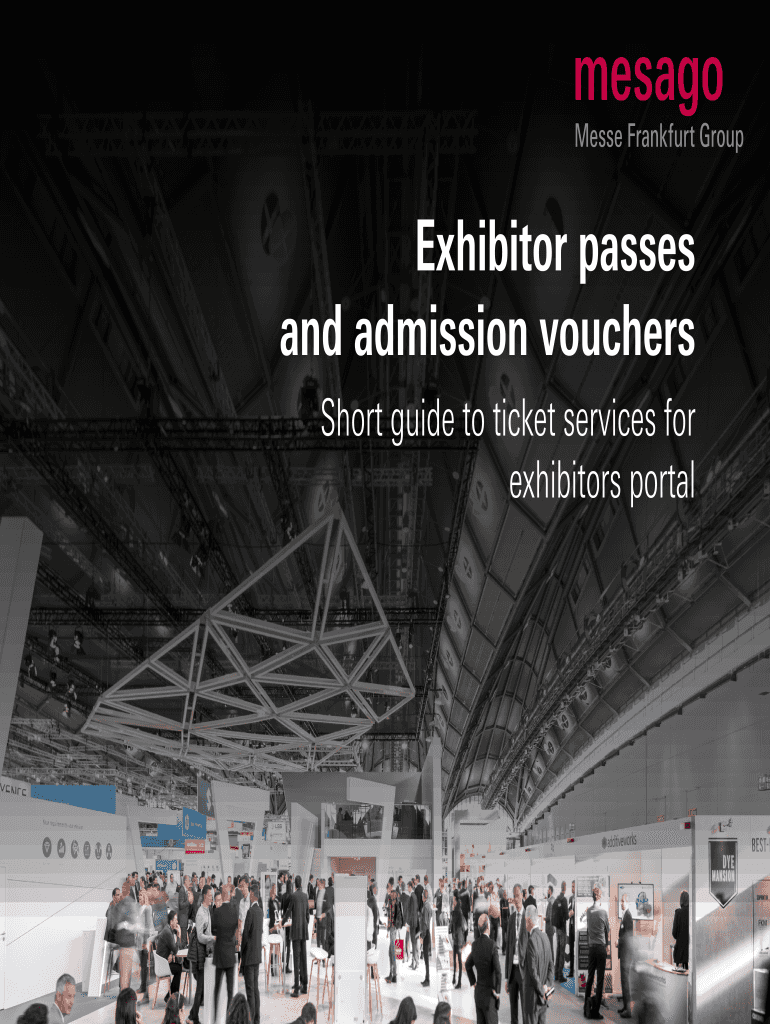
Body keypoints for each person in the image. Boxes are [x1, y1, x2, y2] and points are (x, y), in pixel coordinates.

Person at [466, 914, 501, 1024]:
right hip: (489, 995)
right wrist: (497, 991)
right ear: (488, 926)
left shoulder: (475, 945)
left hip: (478, 993)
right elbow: (498, 971)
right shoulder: (492, 945)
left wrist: (473, 982)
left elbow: (467, 965)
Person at [188, 884, 216, 1024]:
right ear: (205, 896)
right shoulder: (200, 913)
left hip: (204, 952)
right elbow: (200, 937)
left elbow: (208, 931)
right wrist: (212, 938)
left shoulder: (207, 910)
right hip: (198, 954)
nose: (212, 898)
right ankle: (193, 1017)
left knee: (202, 987)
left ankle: (192, 1016)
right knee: (200, 988)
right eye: (210, 896)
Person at [523, 904, 554, 1024]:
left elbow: (532, 972)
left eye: (525, 920)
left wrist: (541, 991)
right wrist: (548, 987)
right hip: (543, 1000)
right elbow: (551, 965)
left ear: (529, 920)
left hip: (533, 1000)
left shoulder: (531, 941)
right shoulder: (545, 937)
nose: (525, 923)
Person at [212, 882, 239, 1016]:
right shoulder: (234, 912)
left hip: (219, 954)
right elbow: (235, 929)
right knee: (230, 990)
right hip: (230, 954)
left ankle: (215, 1016)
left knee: (216, 988)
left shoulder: (217, 912)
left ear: (222, 896)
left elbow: (213, 929)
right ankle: (229, 1018)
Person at [583, 886, 610, 1020]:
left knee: (590, 978)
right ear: (599, 897)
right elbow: (607, 930)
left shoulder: (589, 911)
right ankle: (595, 1012)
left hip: (591, 948)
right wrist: (607, 945)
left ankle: (586, 1007)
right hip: (600, 949)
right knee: (599, 981)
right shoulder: (603, 912)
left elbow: (588, 930)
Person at [239, 882, 263, 1023]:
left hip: (249, 956)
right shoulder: (260, 911)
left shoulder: (251, 912)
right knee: (255, 989)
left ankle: (251, 1019)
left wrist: (241, 953)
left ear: (252, 894)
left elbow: (245, 936)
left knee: (250, 990)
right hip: (257, 956)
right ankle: (256, 1019)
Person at [505, 886, 528, 1024]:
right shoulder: (511, 918)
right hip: (513, 971)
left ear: (523, 896)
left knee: (525, 1010)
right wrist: (506, 977)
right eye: (514, 896)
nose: (516, 899)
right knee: (513, 1011)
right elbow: (508, 947)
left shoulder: (528, 917)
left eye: (518, 895)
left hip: (524, 970)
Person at [155, 910, 184, 1002]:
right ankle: (172, 997)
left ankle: (171, 996)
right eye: (175, 920)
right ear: (171, 921)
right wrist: (179, 935)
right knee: (178, 968)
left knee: (178, 967)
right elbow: (176, 950)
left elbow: (171, 948)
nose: (177, 922)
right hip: (162, 965)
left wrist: (171, 954)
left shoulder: (168, 930)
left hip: (162, 963)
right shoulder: (168, 932)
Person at [290, 874, 310, 997]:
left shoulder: (293, 896)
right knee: (303, 959)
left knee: (296, 960)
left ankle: (296, 989)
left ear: (295, 884)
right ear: (301, 883)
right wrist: (304, 924)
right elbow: (307, 914)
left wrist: (282, 922)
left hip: (296, 932)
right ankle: (304, 986)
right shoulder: (305, 896)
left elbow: (289, 911)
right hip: (303, 931)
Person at [617, 892, 635, 1018]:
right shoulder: (624, 916)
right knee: (623, 982)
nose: (621, 903)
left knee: (626, 983)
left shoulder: (628, 916)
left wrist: (618, 941)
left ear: (628, 902)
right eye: (621, 901)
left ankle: (628, 1010)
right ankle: (625, 1006)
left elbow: (628, 937)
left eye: (623, 901)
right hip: (623, 954)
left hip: (626, 955)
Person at [385, 878, 403, 984]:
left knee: (392, 951)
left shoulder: (392, 897)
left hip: (393, 928)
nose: (387, 890)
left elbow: (391, 915)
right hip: (395, 928)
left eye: (387, 887)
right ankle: (392, 974)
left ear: (390, 886)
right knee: (390, 951)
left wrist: (389, 927)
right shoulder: (396, 896)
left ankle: (393, 975)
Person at [552, 882, 569, 983]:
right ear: (565, 888)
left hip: (557, 929)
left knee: (558, 951)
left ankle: (556, 974)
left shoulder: (556, 899)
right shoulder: (564, 900)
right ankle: (560, 975)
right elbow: (566, 916)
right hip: (562, 929)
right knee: (562, 952)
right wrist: (570, 913)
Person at [450, 893, 466, 988]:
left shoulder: (458, 911)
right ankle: (454, 978)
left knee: (459, 960)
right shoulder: (456, 910)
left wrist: (454, 935)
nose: (453, 901)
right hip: (457, 938)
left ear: (456, 900)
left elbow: (458, 926)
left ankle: (458, 981)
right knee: (455, 960)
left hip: (458, 939)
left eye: (453, 900)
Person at [672, 890, 689, 970]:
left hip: (680, 953)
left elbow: (674, 933)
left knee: (679, 974)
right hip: (689, 952)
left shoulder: (678, 912)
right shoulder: (692, 912)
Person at [420, 888, 433, 986]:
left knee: (426, 959)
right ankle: (426, 978)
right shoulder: (429, 906)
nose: (421, 897)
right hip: (428, 933)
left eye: (422, 896)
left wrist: (422, 936)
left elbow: (424, 923)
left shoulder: (425, 907)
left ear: (424, 897)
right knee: (426, 958)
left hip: (426, 933)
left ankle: (427, 979)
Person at [568, 882, 576, 978]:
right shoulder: (570, 898)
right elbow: (568, 909)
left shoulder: (579, 899)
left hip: (576, 928)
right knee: (571, 949)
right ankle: (571, 971)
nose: (572, 888)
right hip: (571, 926)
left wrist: (575, 913)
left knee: (577, 950)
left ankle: (576, 970)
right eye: (572, 886)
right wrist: (569, 912)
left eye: (573, 886)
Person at [544, 885, 555, 956]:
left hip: (550, 927)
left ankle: (551, 961)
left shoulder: (551, 902)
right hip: (551, 927)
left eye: (548, 890)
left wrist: (545, 918)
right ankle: (551, 960)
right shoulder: (551, 901)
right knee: (550, 946)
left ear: (550, 890)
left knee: (550, 946)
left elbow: (550, 916)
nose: (547, 891)